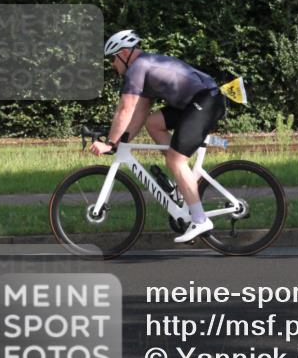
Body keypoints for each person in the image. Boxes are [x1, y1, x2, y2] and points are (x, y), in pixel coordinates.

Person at [91, 30, 227, 242]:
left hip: (206, 101)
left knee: (175, 160)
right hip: (198, 101)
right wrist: (121, 141)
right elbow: (140, 113)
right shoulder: (145, 67)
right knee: (153, 123)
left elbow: (126, 109)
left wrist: (110, 143)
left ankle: (200, 220)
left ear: (124, 53)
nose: (112, 64)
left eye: (113, 59)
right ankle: (183, 184)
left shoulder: (137, 68)